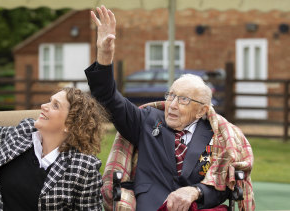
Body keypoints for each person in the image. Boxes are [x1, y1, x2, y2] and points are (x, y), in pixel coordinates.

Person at [85, 6, 254, 211]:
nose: (172, 105)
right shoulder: (147, 120)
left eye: (183, 100)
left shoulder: (217, 135)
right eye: (171, 96)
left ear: (201, 110)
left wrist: (196, 191)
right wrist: (104, 56)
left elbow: (226, 187)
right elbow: (108, 98)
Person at [0, 87, 108, 211]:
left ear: (70, 124)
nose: (44, 106)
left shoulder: (84, 167)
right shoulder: (23, 132)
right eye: (49, 101)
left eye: (55, 105)